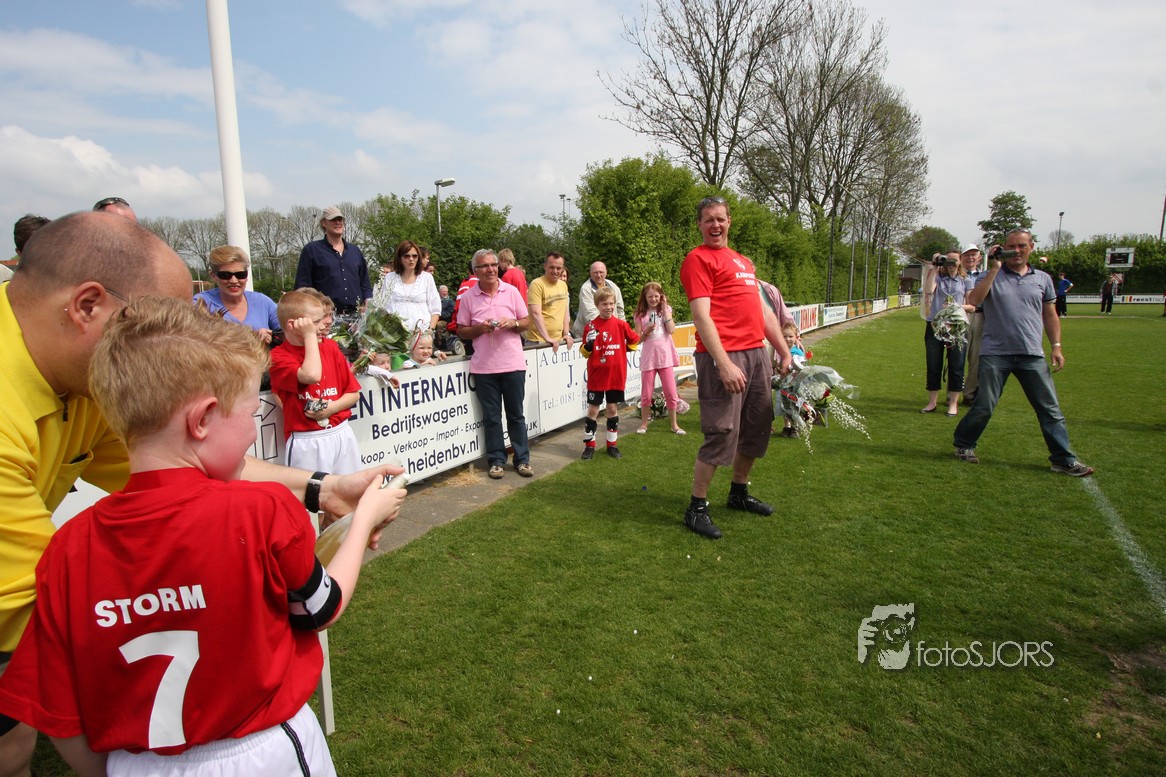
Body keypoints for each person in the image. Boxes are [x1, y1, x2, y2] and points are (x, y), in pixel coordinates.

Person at [0, 212, 399, 777]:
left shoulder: (71, 541)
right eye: (150, 320)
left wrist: (324, 487)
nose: (164, 342)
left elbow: (189, 473)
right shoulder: (259, 513)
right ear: (87, 305)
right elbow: (48, 624)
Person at [680, 196, 791, 540]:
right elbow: (701, 316)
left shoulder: (742, 262)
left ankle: (738, 493)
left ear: (729, 221)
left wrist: (783, 350)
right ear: (699, 225)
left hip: (756, 354)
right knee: (722, 432)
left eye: (720, 219)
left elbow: (764, 313)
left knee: (757, 426)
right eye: (708, 220)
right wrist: (724, 363)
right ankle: (696, 508)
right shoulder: (697, 259)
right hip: (724, 356)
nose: (715, 225)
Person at [953, 228, 1093, 476]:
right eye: (1011, 246)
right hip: (995, 353)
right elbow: (974, 300)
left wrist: (1056, 346)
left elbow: (1050, 314)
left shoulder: (1043, 279)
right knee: (984, 405)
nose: (1016, 251)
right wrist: (994, 269)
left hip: (1031, 353)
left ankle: (1063, 459)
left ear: (1031, 248)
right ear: (1003, 248)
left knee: (1049, 408)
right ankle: (964, 444)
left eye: (1021, 246)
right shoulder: (990, 275)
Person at [456, 249, 533, 480]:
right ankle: (497, 461)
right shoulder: (468, 297)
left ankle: (522, 460)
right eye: (484, 266)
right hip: (484, 368)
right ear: (476, 271)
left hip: (512, 364)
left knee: (516, 415)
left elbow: (526, 322)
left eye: (493, 264)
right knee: (491, 418)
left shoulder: (511, 291)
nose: (490, 269)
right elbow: (461, 331)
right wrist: (480, 328)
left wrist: (514, 323)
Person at [269, 291, 362, 476]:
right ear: (293, 325)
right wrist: (310, 337)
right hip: (307, 439)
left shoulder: (330, 346)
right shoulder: (278, 356)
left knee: (351, 489)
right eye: (316, 322)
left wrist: (331, 408)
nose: (323, 325)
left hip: (341, 431)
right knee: (312, 493)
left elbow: (353, 394)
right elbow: (311, 375)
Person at [580, 287, 640, 460]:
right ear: (597, 305)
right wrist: (589, 345)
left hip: (616, 375)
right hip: (597, 376)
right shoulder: (591, 326)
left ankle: (612, 445)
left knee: (612, 408)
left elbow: (634, 341)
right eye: (604, 304)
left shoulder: (621, 325)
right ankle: (589, 446)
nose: (609, 307)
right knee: (593, 409)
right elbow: (584, 352)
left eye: (611, 303)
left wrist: (624, 349)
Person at [919, 251, 975, 416]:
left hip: (957, 326)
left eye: (954, 260)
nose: (951, 263)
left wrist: (956, 307)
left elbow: (972, 306)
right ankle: (932, 402)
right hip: (935, 325)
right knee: (933, 364)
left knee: (957, 365)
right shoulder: (938, 278)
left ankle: (953, 403)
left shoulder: (966, 281)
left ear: (960, 261)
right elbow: (928, 290)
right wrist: (935, 266)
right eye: (947, 260)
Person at [294, 206, 373, 317]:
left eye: (340, 219)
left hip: (356, 316)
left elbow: (365, 283)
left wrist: (368, 304)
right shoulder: (312, 250)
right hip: (326, 316)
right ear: (324, 223)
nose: (338, 222)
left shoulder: (355, 251)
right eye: (333, 219)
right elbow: (303, 287)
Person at [193, 245, 280, 344]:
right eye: (225, 275)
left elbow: (287, 332)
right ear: (213, 276)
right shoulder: (201, 303)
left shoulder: (262, 302)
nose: (234, 281)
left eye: (240, 275)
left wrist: (272, 335)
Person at [633, 281, 684, 435]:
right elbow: (637, 340)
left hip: (665, 357)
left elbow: (672, 330)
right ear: (645, 297)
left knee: (671, 392)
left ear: (661, 296)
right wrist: (646, 331)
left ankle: (674, 425)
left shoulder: (666, 310)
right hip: (649, 357)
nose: (653, 299)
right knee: (646, 393)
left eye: (656, 296)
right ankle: (644, 424)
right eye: (650, 296)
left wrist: (666, 311)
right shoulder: (640, 314)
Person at [371, 240, 441, 335]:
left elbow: (435, 308)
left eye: (414, 256)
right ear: (400, 258)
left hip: (422, 333)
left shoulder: (427, 278)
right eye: (407, 256)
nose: (411, 259)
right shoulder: (390, 278)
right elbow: (383, 307)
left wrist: (430, 330)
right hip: (395, 334)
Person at [526, 252, 575, 352]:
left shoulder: (563, 285)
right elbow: (535, 313)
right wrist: (547, 338)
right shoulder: (537, 284)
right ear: (545, 266)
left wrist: (566, 334)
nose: (555, 271)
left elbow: (565, 312)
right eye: (552, 267)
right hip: (538, 341)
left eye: (558, 268)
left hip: (558, 341)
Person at [960, 243, 986, 405]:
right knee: (957, 357)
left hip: (979, 316)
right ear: (961, 257)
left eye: (973, 255)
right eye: (967, 255)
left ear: (979, 258)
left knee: (976, 357)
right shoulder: (956, 275)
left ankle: (969, 394)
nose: (970, 258)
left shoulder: (985, 276)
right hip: (960, 316)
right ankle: (952, 393)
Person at [572, 261, 625, 337]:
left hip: (611, 330)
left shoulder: (613, 286)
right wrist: (608, 329)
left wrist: (623, 329)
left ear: (606, 272)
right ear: (590, 273)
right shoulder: (586, 289)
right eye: (595, 272)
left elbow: (620, 310)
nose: (598, 275)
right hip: (588, 333)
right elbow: (591, 314)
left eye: (601, 272)